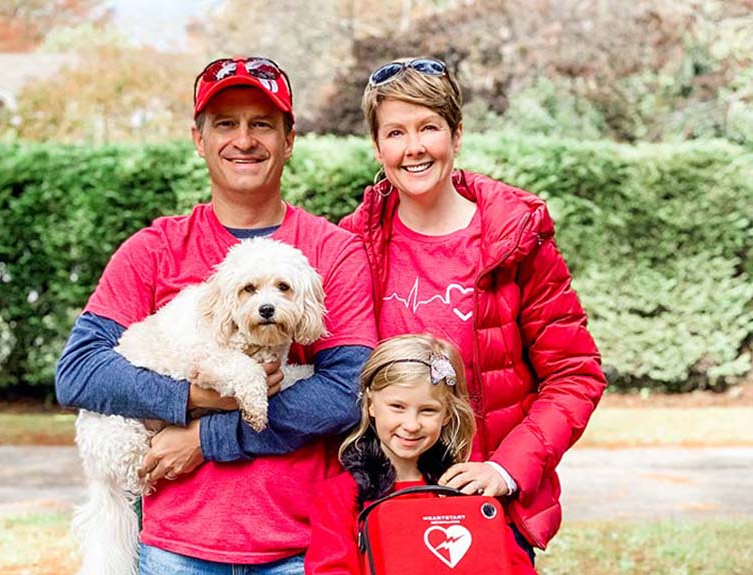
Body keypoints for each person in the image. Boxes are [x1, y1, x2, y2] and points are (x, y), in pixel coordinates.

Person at [55, 56, 377, 574]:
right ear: (199, 139)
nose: (244, 140)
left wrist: (207, 439)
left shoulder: (331, 251)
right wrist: (197, 398)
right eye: (226, 123)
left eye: (262, 124)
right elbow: (79, 372)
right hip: (174, 551)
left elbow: (343, 393)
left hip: (298, 547)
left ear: (289, 140)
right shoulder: (153, 248)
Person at [339, 58, 608, 566]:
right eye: (395, 132)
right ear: (377, 147)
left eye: (428, 128)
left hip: (487, 511)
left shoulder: (514, 241)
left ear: (456, 135)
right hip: (379, 507)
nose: (413, 147)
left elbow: (575, 374)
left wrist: (506, 469)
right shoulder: (353, 244)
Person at [304, 334, 535, 575]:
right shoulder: (342, 496)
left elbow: (513, 565)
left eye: (428, 410)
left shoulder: (464, 489)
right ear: (371, 403)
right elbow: (330, 569)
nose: (411, 424)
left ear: (447, 413)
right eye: (397, 407)